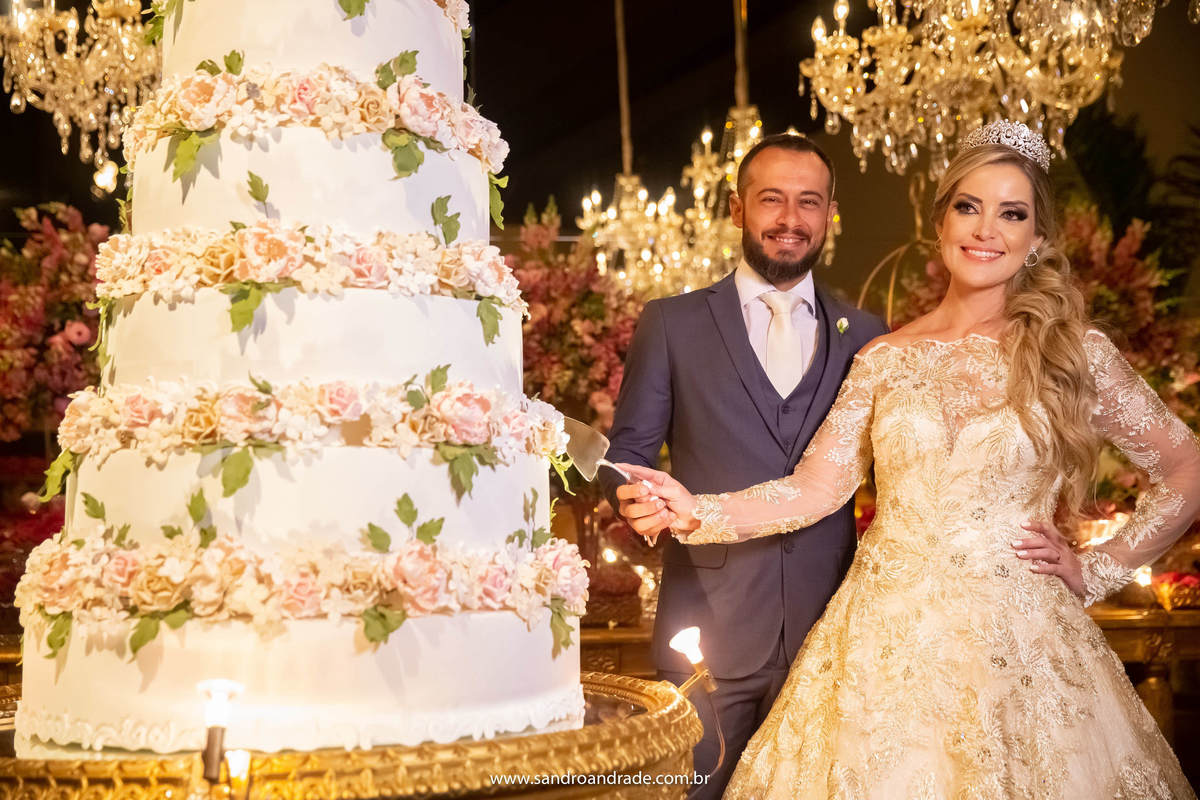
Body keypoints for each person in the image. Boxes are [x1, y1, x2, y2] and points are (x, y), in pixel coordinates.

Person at [619, 120, 1200, 798]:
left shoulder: (1071, 353)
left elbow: (1187, 469)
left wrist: (1097, 569)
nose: (986, 230)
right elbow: (814, 488)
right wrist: (696, 511)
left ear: (1037, 239)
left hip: (1018, 644)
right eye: (968, 206)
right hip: (881, 646)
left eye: (1012, 214)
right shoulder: (883, 356)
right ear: (940, 220)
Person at [600, 132, 888, 798]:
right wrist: (631, 497)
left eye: (808, 202)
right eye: (772, 200)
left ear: (829, 215)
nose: (791, 219)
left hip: (832, 631)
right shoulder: (671, 324)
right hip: (709, 629)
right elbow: (626, 456)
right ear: (737, 209)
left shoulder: (869, 336)